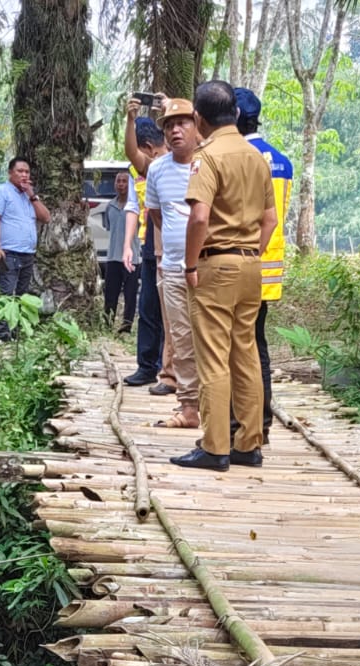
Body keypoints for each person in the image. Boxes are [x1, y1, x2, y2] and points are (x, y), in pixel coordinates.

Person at [174, 79, 277, 471]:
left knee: (214, 357)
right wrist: (250, 250)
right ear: (234, 113)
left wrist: (190, 264)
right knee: (246, 353)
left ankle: (215, 445)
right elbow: (269, 219)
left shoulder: (208, 156)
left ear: (198, 119)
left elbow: (200, 216)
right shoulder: (255, 157)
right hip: (252, 265)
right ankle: (248, 444)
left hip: (215, 266)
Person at [234, 86, 291, 443]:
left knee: (239, 348)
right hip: (270, 266)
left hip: (245, 262)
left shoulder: (241, 156)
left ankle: (245, 424)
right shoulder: (281, 159)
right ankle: (263, 423)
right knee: (259, 344)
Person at [145, 98, 204, 430]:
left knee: (209, 338)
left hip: (207, 267)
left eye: (182, 123)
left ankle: (219, 407)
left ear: (197, 126)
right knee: (180, 339)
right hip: (172, 268)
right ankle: (188, 408)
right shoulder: (157, 169)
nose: (175, 130)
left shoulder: (210, 163)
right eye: (169, 125)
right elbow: (157, 215)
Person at [121, 110, 168, 386]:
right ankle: (147, 365)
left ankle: (168, 367)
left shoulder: (183, 161)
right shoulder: (145, 168)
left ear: (149, 147)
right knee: (148, 305)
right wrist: (128, 245)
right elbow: (132, 206)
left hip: (177, 244)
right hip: (151, 241)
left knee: (172, 310)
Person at [0, 156, 49, 341]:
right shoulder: (1, 193)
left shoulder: (29, 197)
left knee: (22, 295)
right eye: (20, 171)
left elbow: (46, 217)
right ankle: (4, 336)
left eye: (27, 172)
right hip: (8, 253)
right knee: (7, 294)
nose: (24, 175)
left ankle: (16, 332)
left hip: (27, 254)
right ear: (10, 173)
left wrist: (32, 195)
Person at [101, 171, 138, 331]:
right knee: (111, 292)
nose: (121, 184)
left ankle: (127, 325)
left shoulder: (135, 206)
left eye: (125, 181)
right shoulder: (111, 206)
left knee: (130, 294)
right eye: (119, 181)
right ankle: (107, 322)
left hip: (133, 257)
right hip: (113, 256)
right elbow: (108, 227)